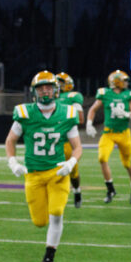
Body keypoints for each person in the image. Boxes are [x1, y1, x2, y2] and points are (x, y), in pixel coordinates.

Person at [5, 71, 82, 262]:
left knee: (56, 213)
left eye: (48, 87)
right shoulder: (25, 113)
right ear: (34, 91)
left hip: (58, 173)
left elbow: (77, 146)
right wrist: (12, 161)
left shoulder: (67, 113)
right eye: (41, 88)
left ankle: (49, 257)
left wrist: (71, 162)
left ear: (56, 90)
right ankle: (48, 248)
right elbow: (10, 141)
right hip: (34, 174)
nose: (45, 91)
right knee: (39, 222)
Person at [86, 70, 131, 204]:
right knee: (102, 158)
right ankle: (110, 189)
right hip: (108, 133)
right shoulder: (105, 94)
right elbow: (93, 109)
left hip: (124, 133)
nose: (127, 83)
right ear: (116, 81)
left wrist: (126, 114)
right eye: (124, 80)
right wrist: (89, 124)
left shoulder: (129, 95)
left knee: (127, 163)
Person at [56, 72, 85, 207]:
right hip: (50, 142)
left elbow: (80, 118)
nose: (57, 85)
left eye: (60, 82)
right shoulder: (47, 98)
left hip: (66, 141)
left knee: (73, 172)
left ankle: (77, 191)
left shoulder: (72, 97)